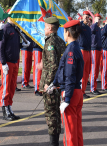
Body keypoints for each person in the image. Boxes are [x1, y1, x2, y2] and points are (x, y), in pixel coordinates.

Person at [46, 19, 84, 146]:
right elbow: (62, 69)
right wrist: (54, 82)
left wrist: (67, 98)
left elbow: (69, 75)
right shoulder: (74, 47)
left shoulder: (71, 50)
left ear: (67, 32)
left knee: (69, 131)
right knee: (76, 128)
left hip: (71, 93)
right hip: (76, 91)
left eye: (64, 31)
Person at [37, 17, 66, 146]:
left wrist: (48, 83)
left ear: (49, 28)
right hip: (58, 83)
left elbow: (54, 65)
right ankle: (56, 142)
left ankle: (54, 143)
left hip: (51, 85)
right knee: (56, 114)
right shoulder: (60, 41)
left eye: (44, 27)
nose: (44, 29)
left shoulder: (50, 42)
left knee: (51, 114)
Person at [0, 15, 30, 121]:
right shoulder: (5, 28)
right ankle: (4, 110)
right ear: (8, 17)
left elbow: (13, 45)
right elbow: (0, 47)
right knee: (6, 87)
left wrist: (22, 45)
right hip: (7, 62)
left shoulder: (15, 29)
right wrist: (3, 63)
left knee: (12, 86)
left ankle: (9, 107)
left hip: (15, 61)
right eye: (13, 16)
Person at [79, 11, 92, 98]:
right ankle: (80, 92)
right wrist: (81, 21)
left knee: (87, 72)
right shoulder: (80, 26)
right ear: (83, 17)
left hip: (88, 51)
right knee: (82, 72)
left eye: (88, 17)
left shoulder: (88, 28)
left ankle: (83, 91)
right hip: (82, 50)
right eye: (86, 17)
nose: (87, 19)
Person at [90, 13, 102, 95]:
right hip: (94, 49)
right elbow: (92, 30)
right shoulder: (93, 26)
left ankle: (95, 87)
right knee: (93, 70)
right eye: (98, 19)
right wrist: (95, 22)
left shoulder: (98, 28)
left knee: (97, 69)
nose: (99, 20)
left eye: (100, 19)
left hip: (98, 49)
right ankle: (92, 88)